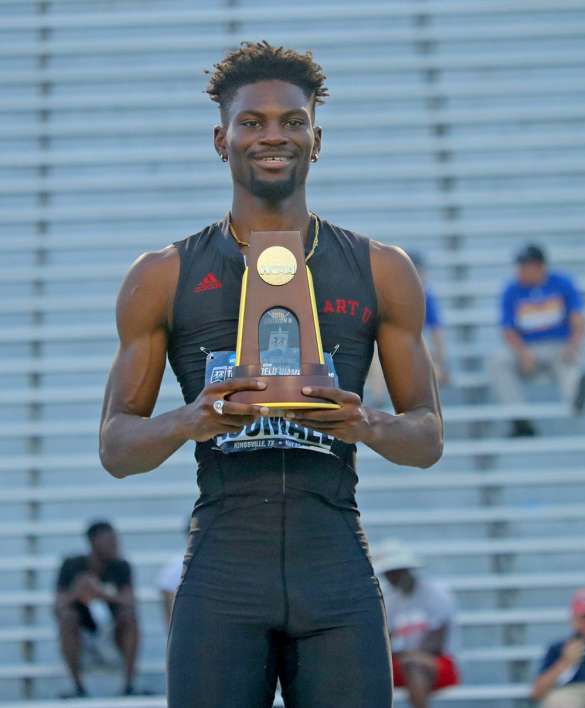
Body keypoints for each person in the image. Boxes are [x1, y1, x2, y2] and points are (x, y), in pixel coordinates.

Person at [98, 42, 442, 707]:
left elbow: (427, 439)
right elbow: (116, 447)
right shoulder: (161, 274)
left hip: (334, 562)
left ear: (318, 139)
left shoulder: (381, 269)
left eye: (291, 120)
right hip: (224, 569)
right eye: (252, 122)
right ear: (220, 138)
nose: (272, 135)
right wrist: (190, 419)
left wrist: (363, 421)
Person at [490, 244, 585, 436]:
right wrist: (522, 353)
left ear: (538, 266)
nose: (519, 271)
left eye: (524, 266)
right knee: (498, 362)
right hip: (528, 348)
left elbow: (578, 318)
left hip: (559, 346)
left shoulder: (562, 283)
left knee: (571, 361)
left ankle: (576, 399)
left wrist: (573, 345)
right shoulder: (511, 290)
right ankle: (520, 418)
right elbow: (507, 329)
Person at [54, 521, 141, 698]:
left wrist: (100, 593)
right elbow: (58, 606)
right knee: (67, 618)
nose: (115, 545)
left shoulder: (121, 566)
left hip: (113, 626)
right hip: (83, 627)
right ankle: (78, 687)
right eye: (110, 541)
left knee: (130, 618)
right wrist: (77, 592)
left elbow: (130, 602)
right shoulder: (72, 565)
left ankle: (129, 685)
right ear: (94, 542)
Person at [373, 540, 459, 707]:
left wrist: (408, 656)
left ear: (406, 570)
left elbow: (435, 644)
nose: (391, 578)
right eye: (388, 573)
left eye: (394, 572)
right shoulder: (389, 600)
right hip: (403, 664)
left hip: (439, 663)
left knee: (414, 666)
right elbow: (385, 643)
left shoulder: (436, 594)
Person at [364, 251, 449, 409]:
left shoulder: (426, 296)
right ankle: (379, 400)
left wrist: (442, 363)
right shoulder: (388, 293)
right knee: (378, 355)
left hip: (409, 351)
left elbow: (437, 334)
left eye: (420, 272)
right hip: (384, 351)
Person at [530, 588, 585, 708]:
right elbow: (536, 693)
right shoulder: (558, 648)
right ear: (572, 619)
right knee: (561, 703)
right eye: (582, 617)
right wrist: (565, 662)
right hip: (570, 692)